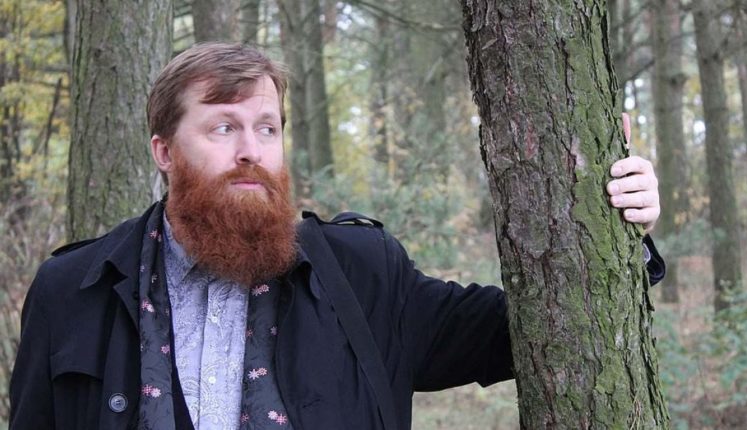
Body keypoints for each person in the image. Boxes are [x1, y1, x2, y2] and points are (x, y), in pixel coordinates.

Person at [10, 43, 664, 430]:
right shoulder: (73, 292)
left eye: (267, 128)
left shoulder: (361, 274)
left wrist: (616, 232)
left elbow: (526, 330)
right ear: (164, 151)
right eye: (223, 127)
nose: (251, 150)